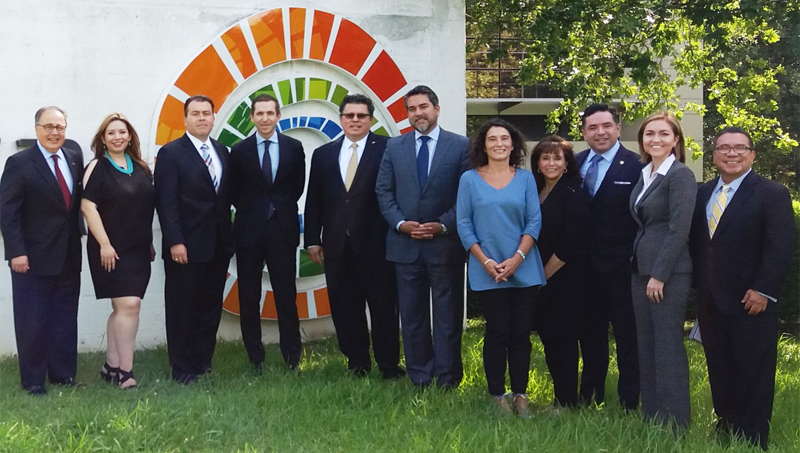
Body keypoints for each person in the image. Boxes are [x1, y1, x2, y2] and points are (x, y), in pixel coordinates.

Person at [689, 127, 795, 450]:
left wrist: (764, 289)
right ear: (714, 155)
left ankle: (752, 439)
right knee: (720, 369)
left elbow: (780, 246)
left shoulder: (772, 193)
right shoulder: (701, 193)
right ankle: (726, 428)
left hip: (752, 301)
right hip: (711, 301)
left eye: (739, 148)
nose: (731, 153)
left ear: (752, 154)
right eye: (724, 148)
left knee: (754, 374)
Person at [376, 85, 470, 389]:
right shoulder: (394, 147)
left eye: (424, 107)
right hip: (404, 246)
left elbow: (467, 196)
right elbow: (384, 191)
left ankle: (448, 377)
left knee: (447, 318)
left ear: (437, 109)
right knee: (412, 317)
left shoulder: (461, 146)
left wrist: (442, 225)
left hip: (445, 246)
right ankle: (420, 375)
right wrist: (401, 223)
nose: (419, 113)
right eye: (412, 109)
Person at [304, 94, 404, 379]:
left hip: (378, 243)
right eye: (350, 115)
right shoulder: (324, 154)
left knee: (383, 308)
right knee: (345, 308)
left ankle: (389, 367)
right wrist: (312, 238)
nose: (355, 120)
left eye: (361, 115)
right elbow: (315, 199)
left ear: (371, 119)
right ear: (341, 119)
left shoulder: (387, 148)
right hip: (337, 246)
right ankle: (357, 363)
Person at [457, 119, 544, 416]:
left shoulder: (526, 179)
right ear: (483, 145)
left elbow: (534, 221)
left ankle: (520, 395)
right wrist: (486, 261)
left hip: (524, 267)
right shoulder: (469, 179)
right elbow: (463, 223)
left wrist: (517, 258)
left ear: (513, 143)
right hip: (487, 270)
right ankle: (497, 396)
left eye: (504, 138)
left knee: (520, 334)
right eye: (492, 139)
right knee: (497, 333)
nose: (499, 143)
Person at [0, 106, 84, 395]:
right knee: (32, 319)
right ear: (36, 129)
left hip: (69, 255)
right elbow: (7, 212)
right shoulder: (20, 163)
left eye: (59, 127)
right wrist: (16, 252)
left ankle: (63, 374)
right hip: (31, 258)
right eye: (48, 127)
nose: (54, 132)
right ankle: (33, 380)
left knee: (64, 317)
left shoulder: (73, 158)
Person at [154, 95, 234, 384]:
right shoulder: (171, 153)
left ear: (213, 118)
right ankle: (182, 367)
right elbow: (166, 202)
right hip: (185, 246)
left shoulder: (223, 151)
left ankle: (202, 361)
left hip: (218, 245)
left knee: (210, 306)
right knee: (182, 307)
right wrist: (175, 241)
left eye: (207, 113)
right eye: (195, 113)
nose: (202, 118)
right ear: (185, 119)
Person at [629, 112, 696, 428]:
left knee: (667, 346)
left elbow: (679, 228)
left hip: (666, 275)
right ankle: (653, 419)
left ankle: (675, 425)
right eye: (649, 134)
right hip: (640, 271)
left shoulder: (680, 175)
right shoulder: (647, 174)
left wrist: (660, 274)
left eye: (663, 134)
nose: (655, 139)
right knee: (647, 345)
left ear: (676, 141)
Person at [229, 94, 305, 373]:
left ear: (278, 115)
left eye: (269, 113)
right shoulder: (239, 151)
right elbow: (234, 190)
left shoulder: (294, 148)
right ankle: (255, 358)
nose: (264, 118)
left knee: (286, 295)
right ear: (252, 117)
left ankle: (292, 358)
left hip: (282, 230)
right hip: (249, 231)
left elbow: (296, 187)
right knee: (249, 296)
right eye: (259, 113)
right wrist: (256, 210)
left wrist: (276, 209)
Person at [575, 103, 643, 409]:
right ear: (583, 132)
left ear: (617, 128)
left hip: (623, 265)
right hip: (582, 266)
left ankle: (630, 399)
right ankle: (590, 395)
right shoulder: (572, 164)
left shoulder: (638, 165)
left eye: (606, 126)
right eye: (592, 127)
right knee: (590, 335)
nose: (600, 132)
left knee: (628, 337)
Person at [81, 113, 155, 390]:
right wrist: (105, 244)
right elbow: (88, 207)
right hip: (109, 249)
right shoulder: (96, 167)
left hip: (138, 249)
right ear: (103, 138)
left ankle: (111, 365)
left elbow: (142, 205)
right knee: (129, 305)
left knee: (122, 307)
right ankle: (126, 372)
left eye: (122, 132)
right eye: (111, 133)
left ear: (130, 136)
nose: (117, 137)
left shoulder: (140, 167)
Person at [530, 135, 590, 411]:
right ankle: (560, 399)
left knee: (562, 342)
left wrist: (543, 275)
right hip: (539, 279)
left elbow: (571, 242)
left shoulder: (574, 193)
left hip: (564, 279)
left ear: (567, 163)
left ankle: (566, 403)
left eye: (557, 157)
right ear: (537, 163)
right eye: (545, 157)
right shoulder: (535, 190)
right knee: (549, 340)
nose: (551, 162)